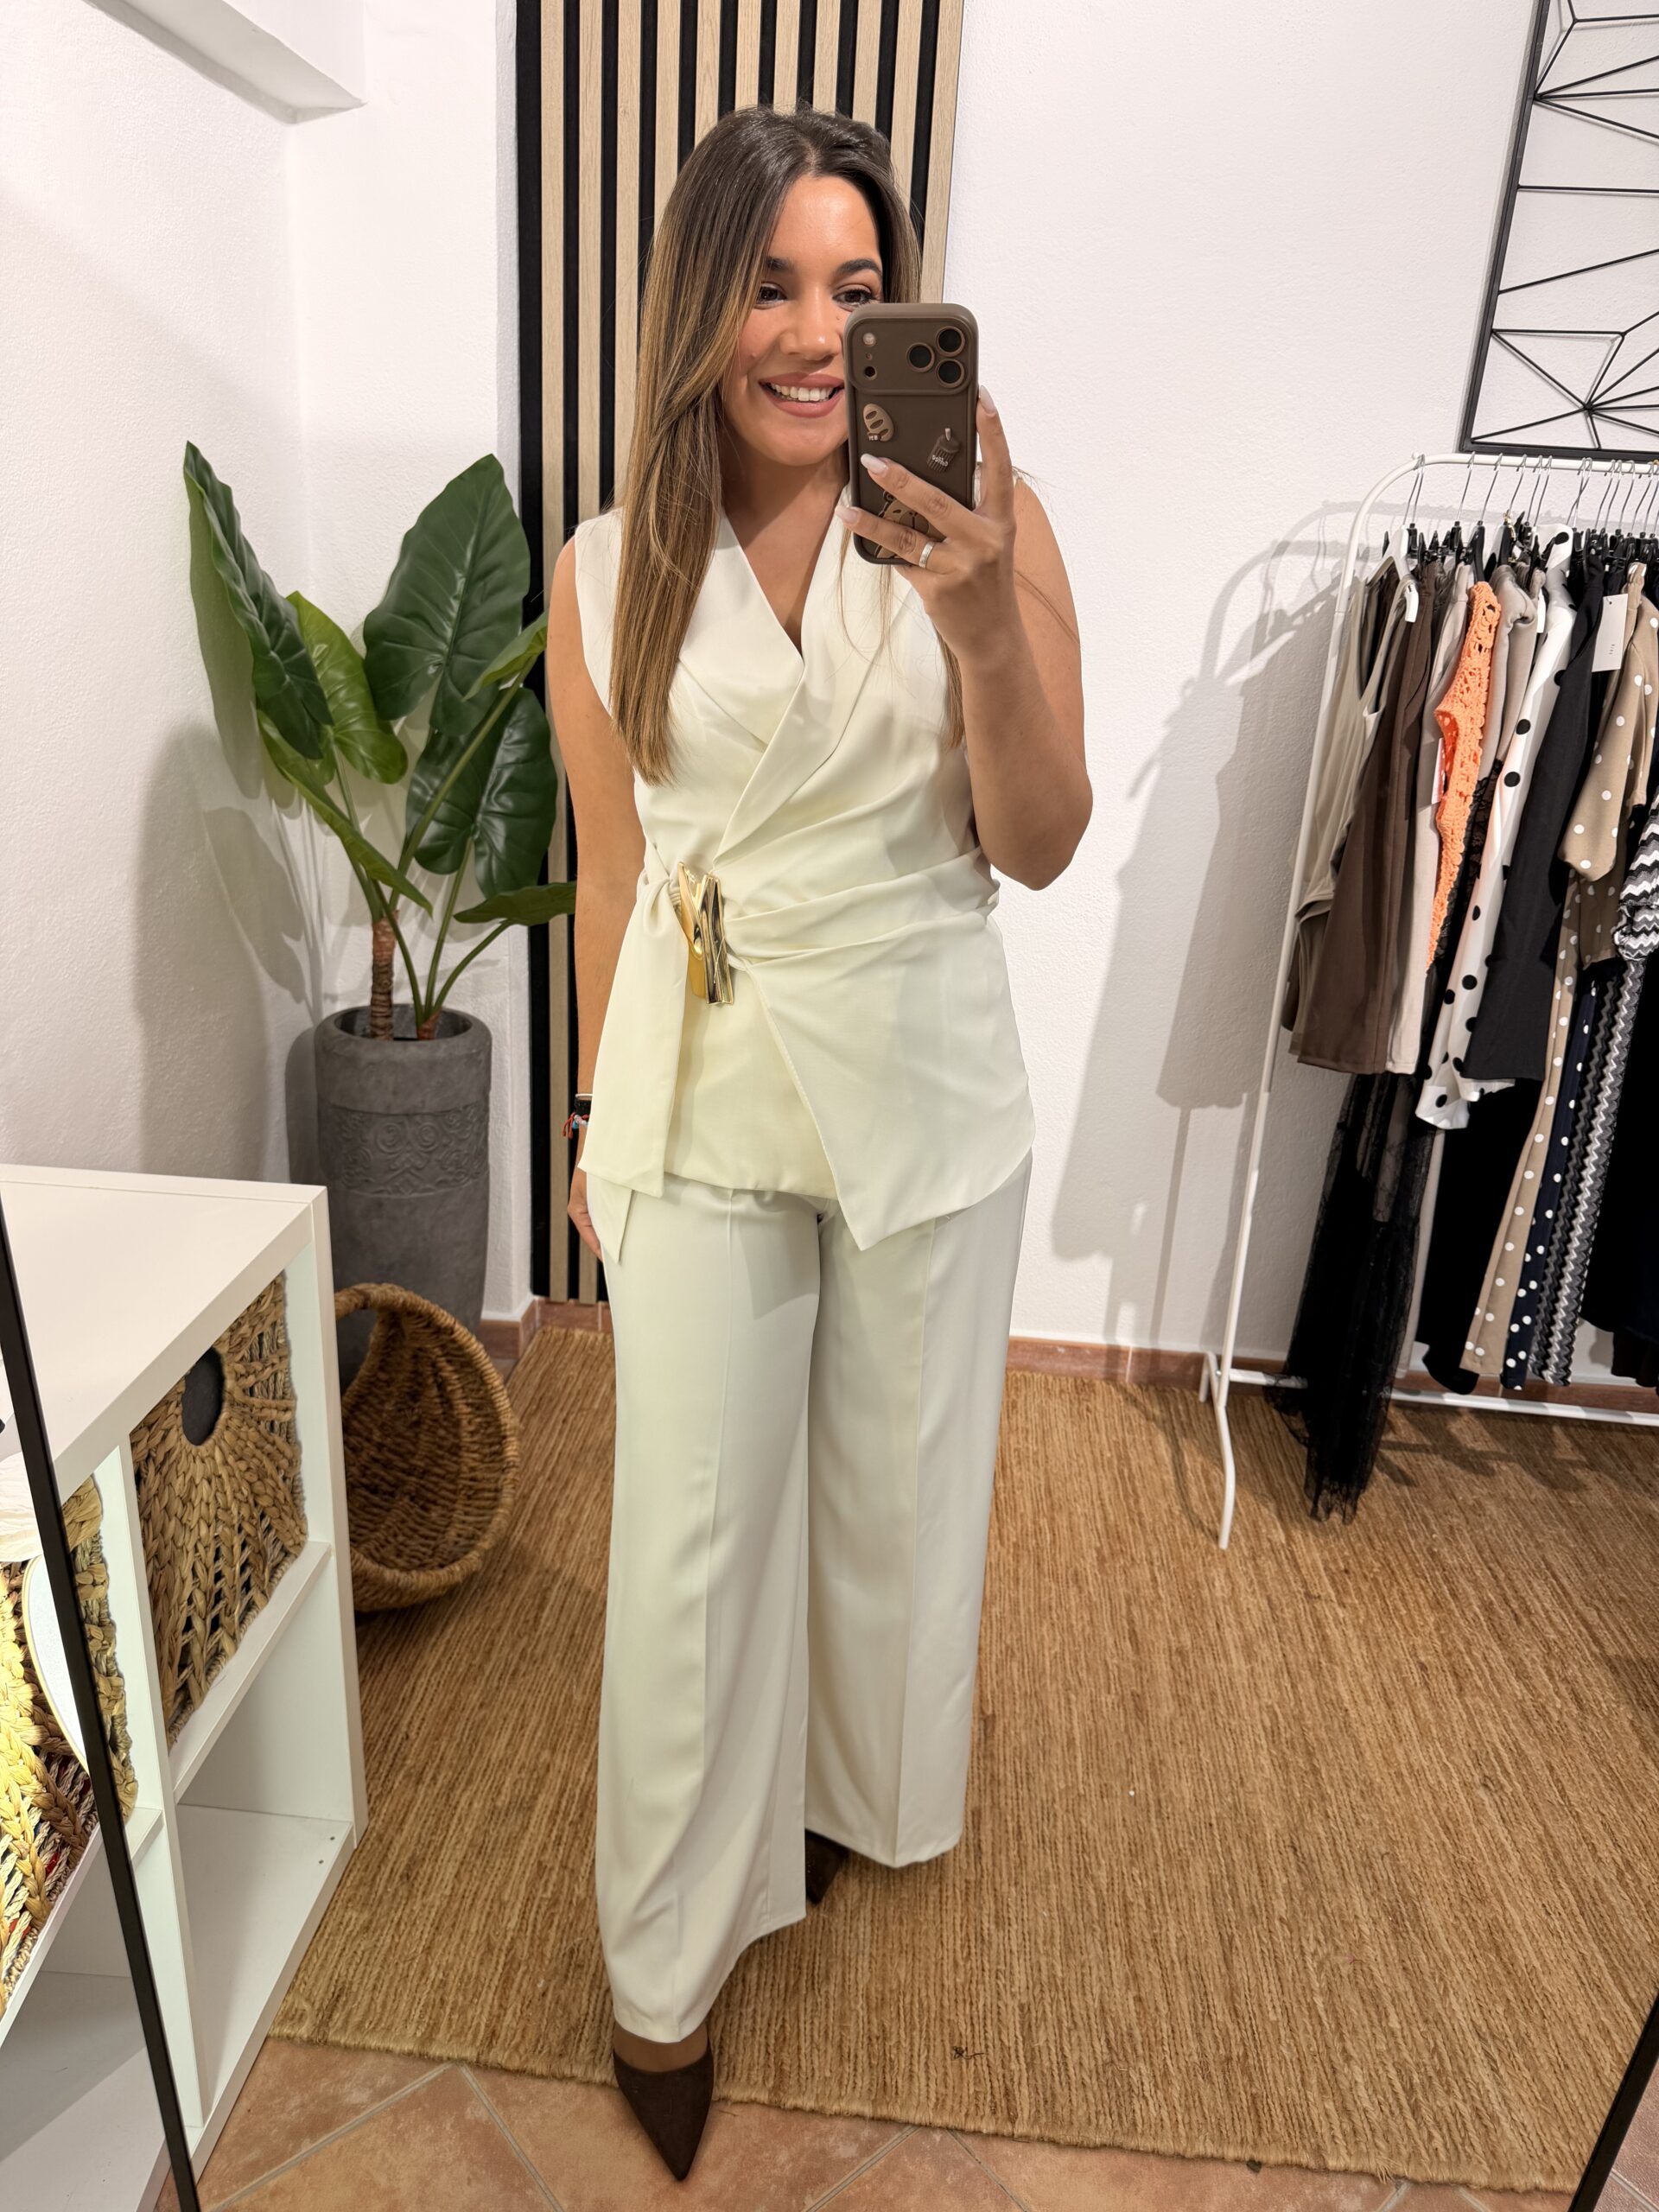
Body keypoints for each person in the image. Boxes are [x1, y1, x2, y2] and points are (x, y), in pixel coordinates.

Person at [544, 100, 1088, 2181]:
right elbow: (613, 872)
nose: (812, 331)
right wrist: (596, 1115)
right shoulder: (607, 566)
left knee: (893, 1497)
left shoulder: (983, 519)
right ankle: (660, 1966)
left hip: (925, 1083)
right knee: (689, 1541)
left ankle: (845, 1798)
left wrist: (981, 619)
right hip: (701, 1077)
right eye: (769, 283)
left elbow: (1040, 840)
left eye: (858, 288)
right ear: (699, 301)